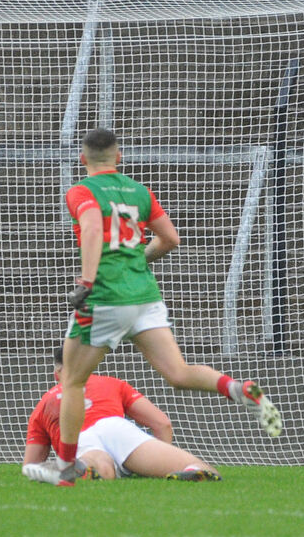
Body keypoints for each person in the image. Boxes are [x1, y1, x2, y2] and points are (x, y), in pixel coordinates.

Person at [45, 128, 283, 487]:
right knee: (178, 373)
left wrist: (87, 281)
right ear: (119, 157)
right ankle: (237, 388)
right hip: (144, 295)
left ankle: (64, 467)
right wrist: (140, 257)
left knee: (74, 382)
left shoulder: (80, 190)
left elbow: (93, 229)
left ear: (82, 159)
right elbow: (171, 238)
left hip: (106, 298)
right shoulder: (140, 192)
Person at [23, 349, 220, 482]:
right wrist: (150, 462)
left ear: (57, 373)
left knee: (100, 466)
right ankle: (191, 471)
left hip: (79, 440)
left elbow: (30, 466)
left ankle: (82, 467)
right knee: (201, 468)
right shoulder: (111, 383)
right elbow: (162, 423)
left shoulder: (42, 406)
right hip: (116, 428)